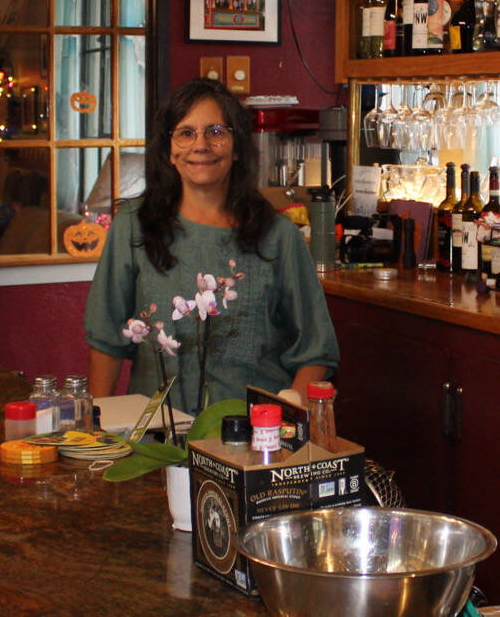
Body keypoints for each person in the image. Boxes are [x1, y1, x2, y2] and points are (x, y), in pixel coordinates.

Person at [84, 78, 338, 413]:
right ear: (169, 152)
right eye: (186, 133)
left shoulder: (279, 236)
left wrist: (284, 420)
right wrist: (100, 429)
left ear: (237, 148)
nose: (200, 144)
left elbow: (315, 351)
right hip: (156, 439)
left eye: (216, 132)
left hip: (249, 438)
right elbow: (107, 339)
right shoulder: (133, 226)